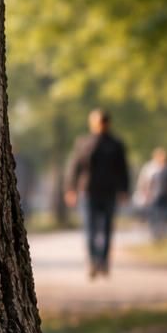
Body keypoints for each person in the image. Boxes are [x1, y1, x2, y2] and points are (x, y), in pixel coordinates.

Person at [65, 109, 131, 279]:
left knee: (107, 228)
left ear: (108, 123)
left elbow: (123, 169)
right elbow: (75, 167)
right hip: (88, 192)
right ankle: (93, 261)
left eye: (102, 121)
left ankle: (104, 261)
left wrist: (124, 190)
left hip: (109, 191)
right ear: (92, 123)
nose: (100, 124)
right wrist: (71, 188)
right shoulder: (83, 142)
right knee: (90, 228)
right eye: (97, 121)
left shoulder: (116, 144)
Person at [134, 147, 167, 244]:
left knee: (165, 216)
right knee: (154, 216)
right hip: (153, 197)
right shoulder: (150, 168)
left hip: (166, 196)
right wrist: (144, 194)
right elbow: (144, 182)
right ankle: (155, 234)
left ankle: (164, 234)